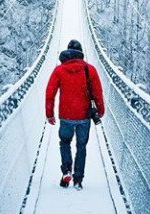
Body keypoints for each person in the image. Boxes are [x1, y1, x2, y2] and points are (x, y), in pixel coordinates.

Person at [45, 39, 105, 190]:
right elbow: (98, 92)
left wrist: (49, 114)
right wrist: (100, 110)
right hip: (84, 116)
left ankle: (66, 172)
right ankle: (78, 179)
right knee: (81, 147)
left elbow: (49, 93)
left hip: (66, 116)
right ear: (81, 53)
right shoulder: (90, 69)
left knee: (65, 143)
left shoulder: (59, 70)